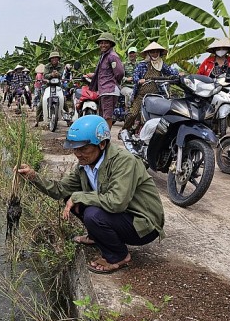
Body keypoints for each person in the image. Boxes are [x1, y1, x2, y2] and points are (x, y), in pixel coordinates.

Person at [17, 115, 165, 274]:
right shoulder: (84, 166)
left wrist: (79, 197)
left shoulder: (124, 162)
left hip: (143, 226)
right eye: (75, 148)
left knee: (92, 214)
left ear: (102, 144)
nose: (78, 154)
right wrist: (34, 177)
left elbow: (117, 202)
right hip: (120, 217)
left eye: (84, 148)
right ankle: (96, 236)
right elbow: (60, 189)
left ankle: (118, 256)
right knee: (70, 198)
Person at [122, 42, 179, 132]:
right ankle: (124, 130)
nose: (155, 54)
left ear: (159, 53)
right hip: (141, 95)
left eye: (157, 52)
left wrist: (178, 75)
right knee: (133, 114)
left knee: (158, 115)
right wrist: (138, 80)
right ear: (148, 53)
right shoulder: (142, 65)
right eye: (152, 52)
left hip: (156, 96)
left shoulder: (161, 64)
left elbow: (171, 72)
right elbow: (135, 75)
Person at [89, 32, 125, 129]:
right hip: (103, 90)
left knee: (107, 116)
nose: (103, 45)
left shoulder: (112, 56)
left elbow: (120, 73)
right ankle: (103, 137)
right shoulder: (103, 56)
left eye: (106, 43)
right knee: (102, 115)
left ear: (111, 44)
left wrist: (113, 82)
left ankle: (106, 138)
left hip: (110, 90)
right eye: (101, 43)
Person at [35, 51, 63, 126]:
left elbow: (62, 74)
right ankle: (37, 119)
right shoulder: (47, 66)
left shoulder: (61, 66)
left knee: (63, 100)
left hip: (58, 86)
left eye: (56, 58)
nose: (54, 59)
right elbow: (45, 75)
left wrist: (58, 74)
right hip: (48, 85)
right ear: (50, 59)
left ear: (58, 59)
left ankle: (67, 117)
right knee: (42, 101)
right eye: (52, 58)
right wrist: (51, 74)